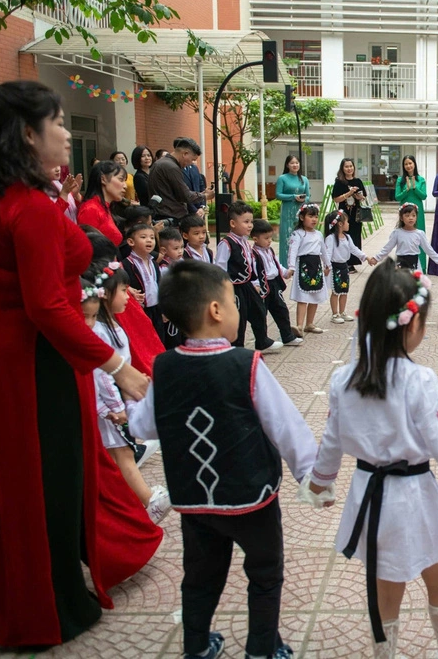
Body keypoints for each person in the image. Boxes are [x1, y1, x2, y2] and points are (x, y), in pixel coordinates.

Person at [0, 81, 159, 647]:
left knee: (19, 486)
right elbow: (48, 308)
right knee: (47, 484)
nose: (68, 133)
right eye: (58, 122)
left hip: (3, 355)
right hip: (34, 364)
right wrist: (120, 366)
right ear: (27, 134)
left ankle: (22, 596)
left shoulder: (0, 198)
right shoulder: (29, 209)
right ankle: (45, 606)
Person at [131, 260, 321, 659]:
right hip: (251, 495)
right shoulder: (245, 363)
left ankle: (197, 647)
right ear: (216, 311)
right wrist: (311, 475)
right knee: (265, 574)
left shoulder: (164, 367)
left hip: (194, 500)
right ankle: (261, 650)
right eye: (233, 302)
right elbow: (284, 425)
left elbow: (145, 427)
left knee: (200, 578)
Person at [306, 264, 438, 658]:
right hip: (415, 497)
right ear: (412, 324)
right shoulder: (418, 380)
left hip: (369, 499)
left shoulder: (344, 380)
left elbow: (331, 444)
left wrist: (319, 482)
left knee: (385, 587)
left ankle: (385, 655)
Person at [82, 262, 171, 524]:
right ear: (106, 294)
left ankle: (130, 501)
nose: (128, 295)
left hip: (114, 402)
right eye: (123, 290)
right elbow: (102, 374)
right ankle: (147, 500)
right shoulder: (98, 330)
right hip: (107, 406)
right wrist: (114, 406)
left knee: (119, 453)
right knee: (122, 453)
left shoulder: (112, 325)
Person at [215, 201, 283, 353]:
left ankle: (262, 341)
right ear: (233, 223)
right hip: (234, 286)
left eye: (251, 221)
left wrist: (255, 281)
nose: (250, 225)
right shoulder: (226, 244)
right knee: (239, 316)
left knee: (258, 310)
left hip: (248, 285)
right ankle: (237, 346)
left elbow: (251, 264)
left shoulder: (245, 242)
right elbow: (220, 267)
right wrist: (225, 290)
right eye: (246, 222)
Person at [251, 218, 302, 347]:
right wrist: (256, 284)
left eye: (270, 237)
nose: (269, 241)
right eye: (266, 238)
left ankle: (287, 336)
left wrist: (285, 272)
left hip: (274, 284)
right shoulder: (253, 254)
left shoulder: (270, 251)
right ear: (255, 239)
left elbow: (276, 264)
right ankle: (263, 340)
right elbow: (253, 270)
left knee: (281, 310)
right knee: (261, 314)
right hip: (262, 285)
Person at [287, 204, 331, 334]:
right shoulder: (298, 234)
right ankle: (299, 326)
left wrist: (328, 265)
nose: (314, 220)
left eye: (316, 217)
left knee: (315, 294)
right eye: (310, 216)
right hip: (304, 267)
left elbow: (323, 251)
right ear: (302, 217)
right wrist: (291, 267)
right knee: (303, 297)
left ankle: (310, 323)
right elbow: (293, 251)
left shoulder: (318, 234)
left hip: (316, 266)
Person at [150, 137, 214, 223]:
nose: (191, 163)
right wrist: (205, 196)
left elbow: (176, 192)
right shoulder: (171, 167)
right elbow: (185, 195)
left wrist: (202, 193)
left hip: (164, 214)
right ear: (185, 154)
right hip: (169, 217)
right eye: (192, 159)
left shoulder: (162, 163)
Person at [369, 202, 438, 273]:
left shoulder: (420, 234)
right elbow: (387, 248)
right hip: (400, 264)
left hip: (415, 264)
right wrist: (376, 258)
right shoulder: (397, 233)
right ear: (401, 218)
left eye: (413, 215)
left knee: (416, 284)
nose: (411, 218)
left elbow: (429, 250)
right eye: (407, 216)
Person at [77, 160, 128, 245]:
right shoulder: (91, 209)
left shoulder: (104, 207)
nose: (125, 186)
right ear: (103, 179)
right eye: (121, 180)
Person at [331, 157, 368, 272]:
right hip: (344, 214)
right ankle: (343, 261)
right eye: (346, 166)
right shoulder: (339, 182)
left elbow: (364, 197)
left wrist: (359, 196)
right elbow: (336, 199)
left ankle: (352, 263)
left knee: (355, 237)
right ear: (342, 168)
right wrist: (349, 193)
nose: (349, 168)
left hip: (356, 214)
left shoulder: (358, 181)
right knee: (344, 236)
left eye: (351, 166)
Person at [324, 210, 360, 325]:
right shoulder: (330, 238)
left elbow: (354, 249)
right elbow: (328, 253)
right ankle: (335, 314)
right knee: (336, 291)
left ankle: (342, 311)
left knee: (344, 290)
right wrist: (327, 266)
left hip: (345, 266)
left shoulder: (347, 237)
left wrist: (366, 257)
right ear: (340, 224)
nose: (348, 224)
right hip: (335, 267)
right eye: (347, 222)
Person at [395, 154, 429, 269]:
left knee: (419, 237)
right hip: (404, 211)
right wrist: (407, 189)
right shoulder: (400, 180)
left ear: (414, 164)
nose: (408, 166)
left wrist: (415, 187)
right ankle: (404, 264)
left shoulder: (421, 180)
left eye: (410, 163)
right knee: (405, 236)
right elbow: (397, 197)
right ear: (403, 166)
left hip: (417, 212)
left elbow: (424, 196)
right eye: (406, 164)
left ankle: (422, 266)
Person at [274, 154, 310, 264]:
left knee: (301, 235)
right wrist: (293, 197)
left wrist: (303, 199)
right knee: (287, 237)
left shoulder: (304, 179)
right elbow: (278, 195)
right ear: (287, 165)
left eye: (297, 163)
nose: (295, 165)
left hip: (300, 211)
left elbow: (308, 196)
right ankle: (285, 264)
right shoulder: (282, 178)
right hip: (287, 211)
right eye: (292, 163)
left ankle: (300, 262)